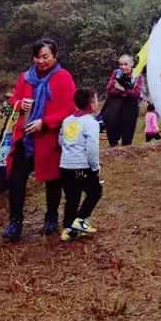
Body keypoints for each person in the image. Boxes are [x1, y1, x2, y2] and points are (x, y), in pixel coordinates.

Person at [1, 38, 76, 242]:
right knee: (16, 181)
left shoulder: (63, 77)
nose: (41, 61)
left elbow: (69, 109)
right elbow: (14, 100)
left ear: (55, 56)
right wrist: (20, 104)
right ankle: (15, 222)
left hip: (48, 139)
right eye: (37, 57)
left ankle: (51, 217)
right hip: (24, 139)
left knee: (52, 180)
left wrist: (45, 122)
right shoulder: (25, 77)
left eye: (46, 57)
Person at [59, 87, 102, 241]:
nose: (97, 102)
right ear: (91, 103)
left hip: (65, 166)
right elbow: (92, 148)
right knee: (95, 191)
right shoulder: (91, 123)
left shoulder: (67, 120)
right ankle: (80, 220)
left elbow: (61, 140)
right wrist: (95, 167)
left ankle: (67, 230)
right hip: (82, 166)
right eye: (96, 99)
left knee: (72, 197)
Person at [103, 54, 143, 147]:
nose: (123, 67)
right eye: (121, 64)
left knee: (127, 134)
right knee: (112, 128)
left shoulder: (137, 76)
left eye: (125, 64)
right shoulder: (116, 73)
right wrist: (126, 92)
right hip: (115, 107)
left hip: (130, 109)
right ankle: (113, 149)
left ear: (132, 64)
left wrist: (122, 89)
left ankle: (126, 152)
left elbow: (136, 94)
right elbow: (109, 89)